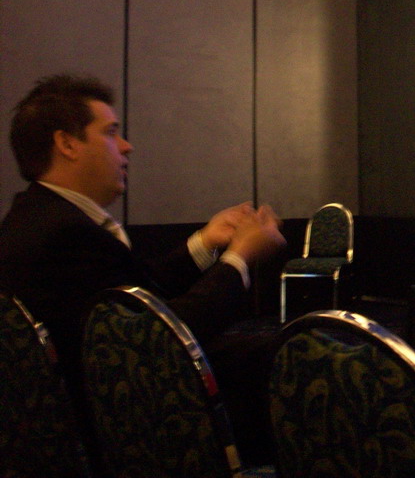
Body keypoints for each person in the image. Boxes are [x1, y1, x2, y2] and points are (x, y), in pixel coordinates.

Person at [0, 73, 287, 466]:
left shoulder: (38, 217)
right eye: (111, 132)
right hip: (127, 430)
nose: (126, 146)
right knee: (294, 360)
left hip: (100, 409)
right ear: (67, 144)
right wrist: (241, 257)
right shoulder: (64, 234)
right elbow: (160, 339)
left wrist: (207, 241)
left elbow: (139, 296)